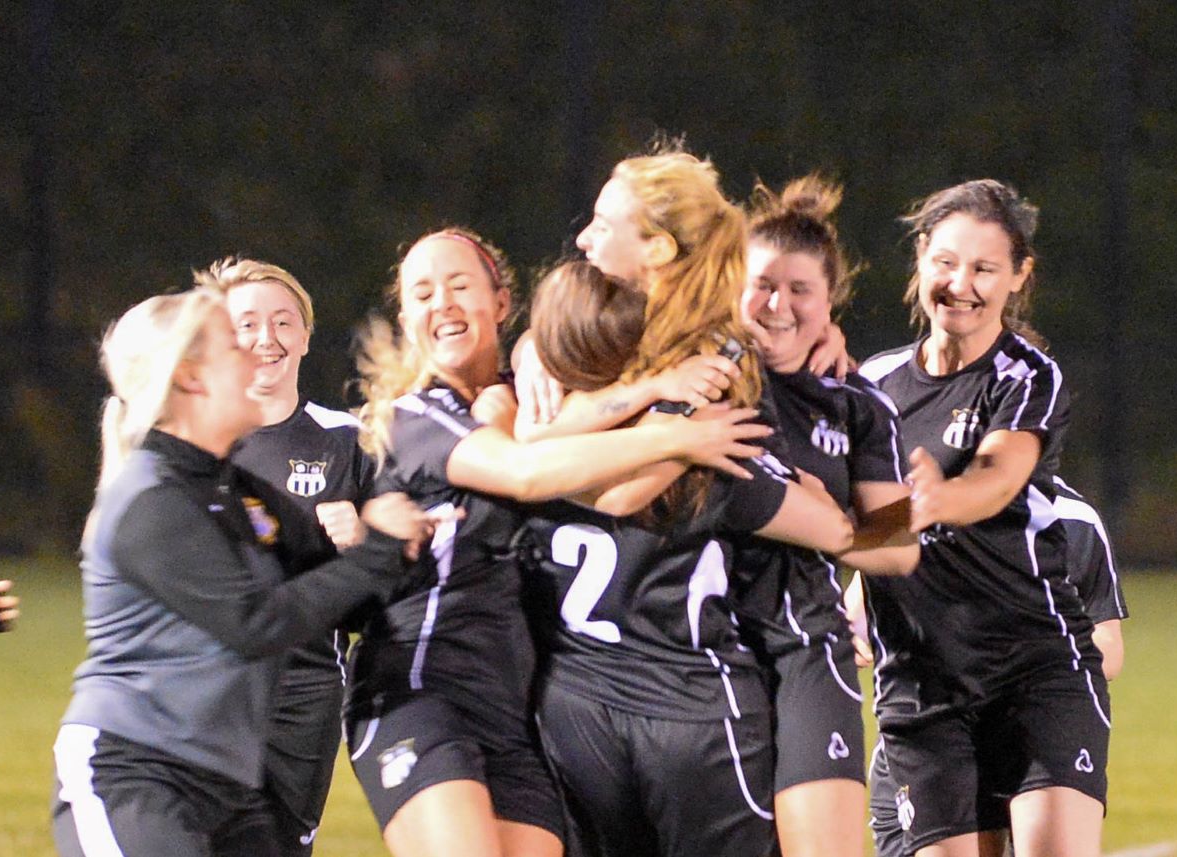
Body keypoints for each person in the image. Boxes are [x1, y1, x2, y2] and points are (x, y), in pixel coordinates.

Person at [346, 227, 773, 857]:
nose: (444, 304)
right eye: (423, 293)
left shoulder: (536, 406)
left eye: (461, 286)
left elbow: (592, 464)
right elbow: (524, 472)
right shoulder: (416, 417)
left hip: (518, 718)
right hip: (422, 688)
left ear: (502, 301)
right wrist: (673, 427)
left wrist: (536, 357)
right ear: (406, 316)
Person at [516, 148, 856, 857]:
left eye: (604, 223)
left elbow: (620, 489)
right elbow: (535, 440)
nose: (583, 237)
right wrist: (634, 404)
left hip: (686, 689)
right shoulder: (592, 334)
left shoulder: (718, 351)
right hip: (589, 686)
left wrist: (538, 461)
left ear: (659, 248)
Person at [51, 288, 434, 857]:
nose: (255, 355)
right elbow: (256, 624)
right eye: (235, 344)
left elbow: (337, 597)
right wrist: (377, 551)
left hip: (228, 788)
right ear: (190, 378)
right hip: (133, 779)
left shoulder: (236, 493)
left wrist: (402, 545)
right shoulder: (152, 497)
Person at [857, 179, 1108, 857]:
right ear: (919, 258)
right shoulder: (870, 387)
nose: (959, 284)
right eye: (944, 261)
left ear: (1019, 276)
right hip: (921, 687)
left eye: (983, 268)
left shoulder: (1026, 376)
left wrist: (937, 500)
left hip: (1034, 669)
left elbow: (998, 476)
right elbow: (857, 521)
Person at [727, 175, 917, 857]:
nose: (777, 303)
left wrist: (831, 520)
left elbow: (898, 549)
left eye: (800, 289)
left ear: (829, 300)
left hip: (808, 648)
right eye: (762, 284)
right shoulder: (703, 375)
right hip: (700, 651)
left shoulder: (857, 404)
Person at [199, 257, 376, 855]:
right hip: (202, 682)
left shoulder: (350, 441)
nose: (266, 339)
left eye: (283, 322)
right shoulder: (191, 439)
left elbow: (385, 597)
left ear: (305, 336)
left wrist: (364, 542)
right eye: (247, 323)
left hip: (303, 690)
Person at [856, 477, 1128, 857]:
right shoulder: (912, 507)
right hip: (927, 731)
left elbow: (1108, 643)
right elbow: (856, 614)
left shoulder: (1071, 517)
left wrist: (1034, 654)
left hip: (1027, 731)